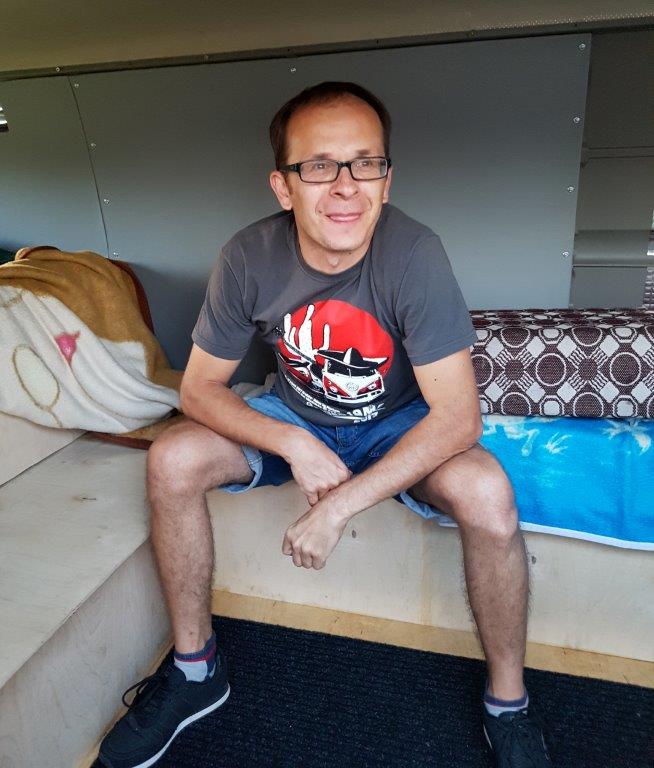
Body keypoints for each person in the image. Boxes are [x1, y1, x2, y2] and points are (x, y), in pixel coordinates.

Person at [99, 81, 551, 768]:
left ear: (386, 181)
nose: (345, 186)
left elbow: (458, 417)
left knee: (489, 494)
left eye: (364, 163)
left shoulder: (414, 252)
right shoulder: (248, 256)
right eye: (319, 166)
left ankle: (508, 703)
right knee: (172, 458)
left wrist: (338, 505)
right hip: (295, 414)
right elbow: (198, 389)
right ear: (283, 187)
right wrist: (293, 441)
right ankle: (195, 673)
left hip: (395, 424)